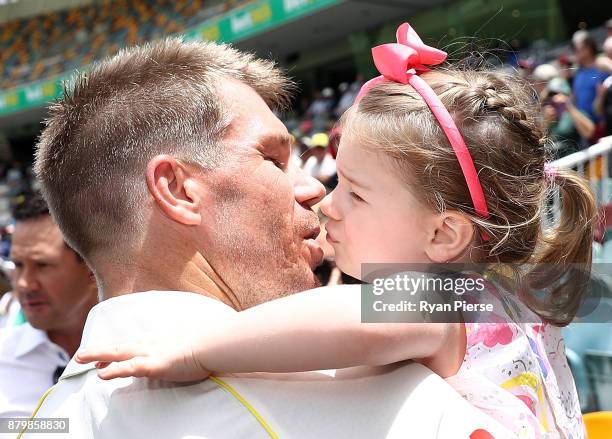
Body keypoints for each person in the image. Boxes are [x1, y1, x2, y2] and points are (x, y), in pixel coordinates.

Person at [78, 24, 596, 439]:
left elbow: (352, 316)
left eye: (356, 192)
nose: (328, 202)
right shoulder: (501, 292)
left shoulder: (446, 297)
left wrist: (199, 350)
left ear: (443, 236)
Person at [0, 193, 97, 417]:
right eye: (18, 264)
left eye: (42, 265)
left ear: (92, 267)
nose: (24, 283)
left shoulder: (148, 354)